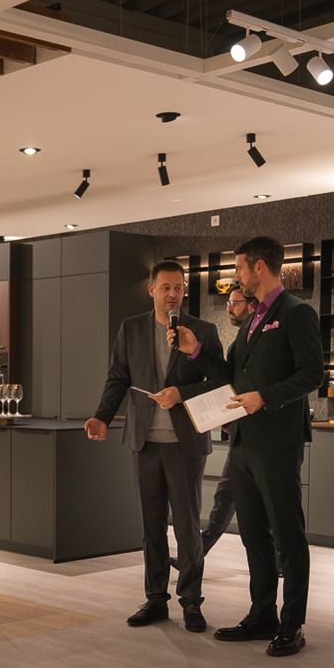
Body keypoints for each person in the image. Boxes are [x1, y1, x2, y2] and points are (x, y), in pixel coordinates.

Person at [172, 237, 323, 657]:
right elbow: (230, 376)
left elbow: (312, 374)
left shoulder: (296, 313)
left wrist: (265, 397)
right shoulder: (252, 318)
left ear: (258, 267)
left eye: (239, 268)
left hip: (277, 443)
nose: (236, 276)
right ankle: (262, 615)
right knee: (253, 534)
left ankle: (292, 623)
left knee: (287, 536)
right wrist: (196, 350)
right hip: (242, 443)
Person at [86, 261, 223, 633]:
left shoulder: (203, 331)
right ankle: (156, 599)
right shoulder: (131, 329)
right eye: (166, 288)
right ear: (151, 291)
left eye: (178, 288)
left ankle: (191, 602)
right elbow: (118, 377)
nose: (173, 294)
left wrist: (182, 393)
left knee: (188, 529)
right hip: (144, 442)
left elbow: (220, 381)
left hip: (185, 444)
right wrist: (101, 416)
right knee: (151, 526)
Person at [170, 287, 255, 570]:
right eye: (228, 302)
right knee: (225, 497)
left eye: (235, 303)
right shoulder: (238, 343)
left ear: (251, 305)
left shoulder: (258, 339)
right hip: (241, 433)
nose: (229, 308)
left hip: (262, 433)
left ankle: (279, 559)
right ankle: (196, 553)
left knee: (259, 502)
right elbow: (227, 381)